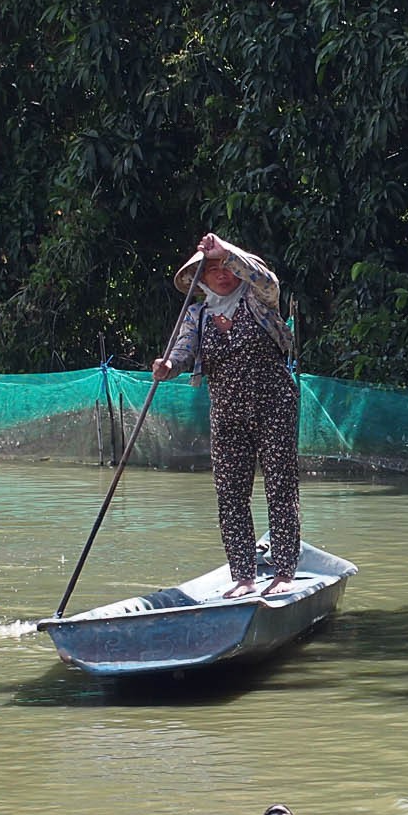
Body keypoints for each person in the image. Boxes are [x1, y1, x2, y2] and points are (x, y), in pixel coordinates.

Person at [152, 233, 299, 598]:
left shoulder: (258, 300)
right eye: (212, 269)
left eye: (226, 266)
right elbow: (183, 352)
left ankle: (283, 571)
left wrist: (227, 251)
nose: (221, 274)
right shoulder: (197, 314)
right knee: (230, 495)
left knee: (280, 487)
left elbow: (269, 280)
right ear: (199, 279)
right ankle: (244, 577)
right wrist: (168, 366)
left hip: (274, 405)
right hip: (228, 415)